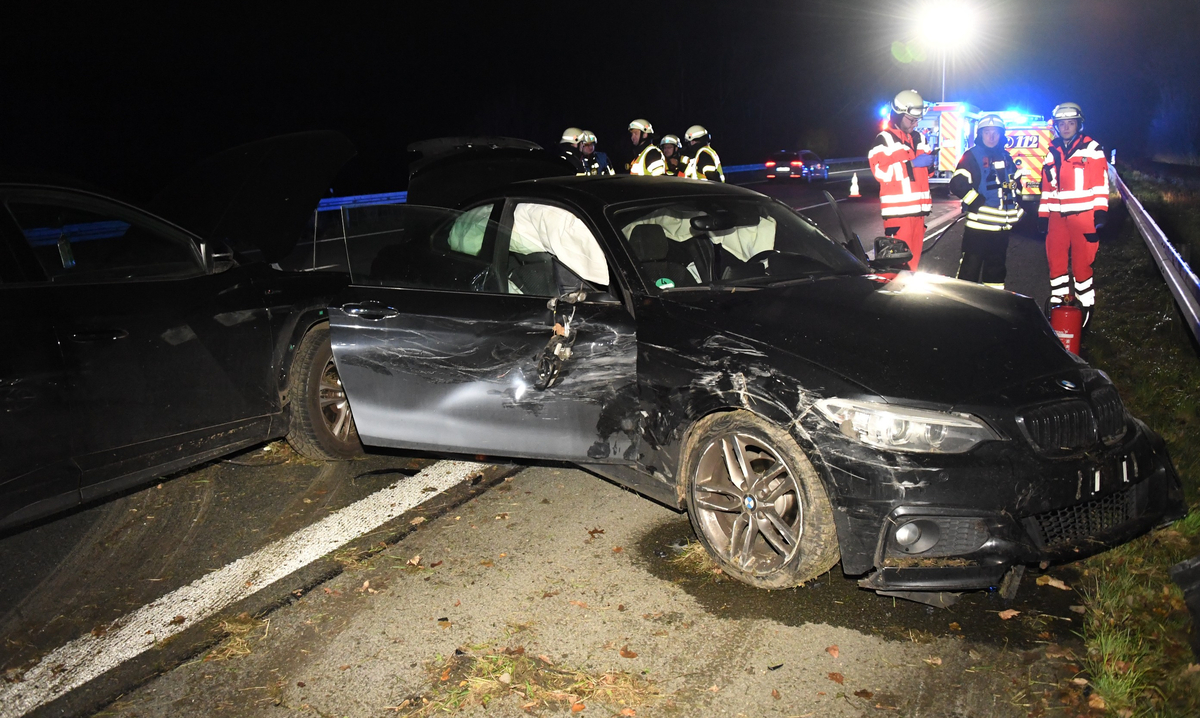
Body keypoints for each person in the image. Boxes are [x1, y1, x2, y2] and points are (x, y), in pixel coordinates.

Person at [1038, 102, 1108, 325]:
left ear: (1079, 124)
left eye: (1071, 123)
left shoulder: (1092, 149)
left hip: (1083, 217)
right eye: (1062, 123)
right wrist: (1042, 215)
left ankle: (1085, 310)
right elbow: (1047, 188)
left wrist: (1100, 212)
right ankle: (1059, 309)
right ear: (1056, 126)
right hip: (1057, 219)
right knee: (1056, 264)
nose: (1066, 127)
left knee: (1082, 265)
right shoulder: (1052, 152)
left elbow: (1100, 184)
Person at [948, 114, 1023, 287]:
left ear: (1001, 135)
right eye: (987, 132)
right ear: (980, 134)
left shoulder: (1006, 157)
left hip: (1001, 229)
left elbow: (1015, 184)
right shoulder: (971, 156)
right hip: (978, 229)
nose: (991, 137)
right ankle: (965, 310)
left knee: (996, 274)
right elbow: (957, 184)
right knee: (969, 273)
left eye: (995, 132)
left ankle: (992, 309)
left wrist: (1017, 205)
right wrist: (976, 202)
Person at [868, 89, 935, 269]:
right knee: (896, 267)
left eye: (917, 120)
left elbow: (928, 173)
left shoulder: (919, 138)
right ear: (897, 115)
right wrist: (912, 164)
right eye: (911, 119)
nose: (915, 123)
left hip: (919, 214)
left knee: (913, 266)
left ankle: (907, 297)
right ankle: (891, 296)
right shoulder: (884, 140)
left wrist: (929, 165)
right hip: (898, 216)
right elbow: (882, 173)